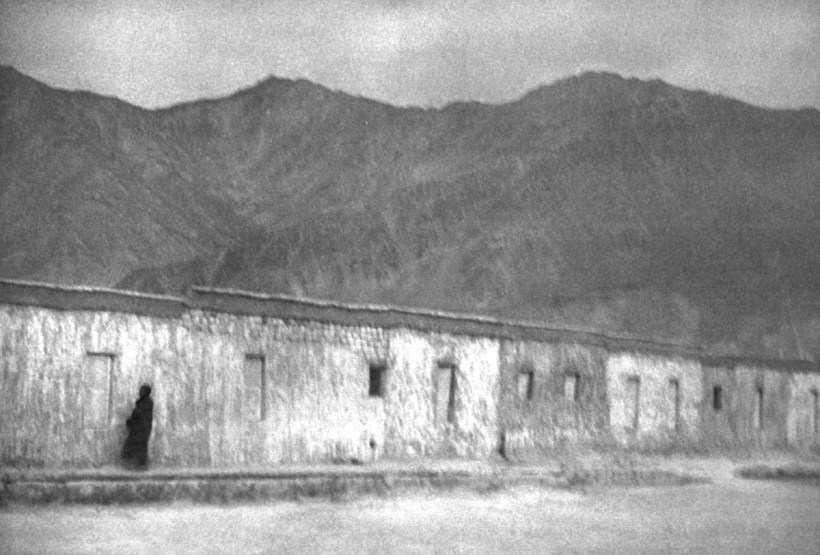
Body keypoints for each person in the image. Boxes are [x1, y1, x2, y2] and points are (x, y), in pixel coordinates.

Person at [121, 383, 154, 469]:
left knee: (136, 446)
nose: (139, 392)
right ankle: (139, 465)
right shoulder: (144, 402)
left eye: (142, 390)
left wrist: (131, 421)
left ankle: (140, 465)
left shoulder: (146, 402)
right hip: (140, 428)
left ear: (146, 392)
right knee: (139, 446)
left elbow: (139, 414)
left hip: (141, 429)